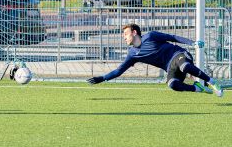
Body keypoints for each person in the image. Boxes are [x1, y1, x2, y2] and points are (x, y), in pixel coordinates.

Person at [87, 24, 223, 96]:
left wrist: (192, 43)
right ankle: (198, 88)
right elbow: (119, 71)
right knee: (172, 84)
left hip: (179, 54)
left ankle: (212, 82)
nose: (124, 37)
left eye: (126, 34)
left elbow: (173, 37)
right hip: (170, 67)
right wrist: (102, 78)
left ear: (134, 32)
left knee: (185, 67)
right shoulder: (132, 54)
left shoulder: (151, 36)